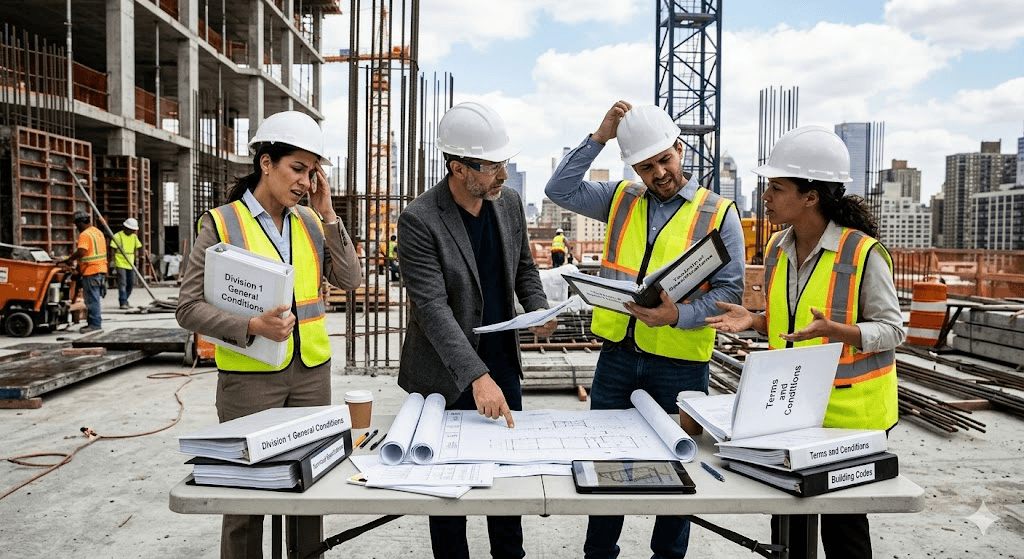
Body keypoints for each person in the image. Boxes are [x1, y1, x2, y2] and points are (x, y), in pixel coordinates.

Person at [545, 101, 745, 559]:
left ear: (681, 149)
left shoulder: (717, 213)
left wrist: (677, 316)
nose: (658, 173)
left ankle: (668, 557)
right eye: (646, 165)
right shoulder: (619, 198)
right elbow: (559, 189)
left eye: (665, 160)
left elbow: (729, 295)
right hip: (617, 355)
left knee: (676, 464)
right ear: (634, 166)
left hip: (679, 362)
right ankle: (599, 553)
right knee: (604, 463)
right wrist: (600, 136)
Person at [705, 125, 905, 559]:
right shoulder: (778, 247)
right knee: (787, 520)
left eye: (777, 188)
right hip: (791, 407)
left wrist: (843, 332)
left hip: (851, 415)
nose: (767, 197)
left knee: (842, 526)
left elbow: (893, 331)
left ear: (811, 196)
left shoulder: (862, 254)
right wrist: (756, 321)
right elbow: (793, 325)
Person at [175, 110, 361, 559]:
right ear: (265, 163)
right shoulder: (222, 224)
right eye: (297, 169)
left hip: (311, 374)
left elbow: (351, 280)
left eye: (312, 172)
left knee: (308, 488)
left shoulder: (312, 222)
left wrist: (330, 215)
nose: (305, 181)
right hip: (249, 380)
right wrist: (251, 327)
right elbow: (187, 307)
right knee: (244, 497)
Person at [398, 101, 557, 559]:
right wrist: (476, 375)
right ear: (459, 167)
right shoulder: (419, 220)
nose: (503, 175)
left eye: (505, 163)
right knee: (449, 489)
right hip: (445, 375)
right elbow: (432, 309)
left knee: (505, 479)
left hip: (502, 362)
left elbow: (524, 267)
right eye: (493, 166)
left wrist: (538, 309)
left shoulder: (505, 205)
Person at [63, 211, 108, 333]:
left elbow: (81, 252)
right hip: (100, 269)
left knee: (92, 300)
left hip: (91, 270)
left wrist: (69, 259)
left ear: (80, 223)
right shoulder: (97, 232)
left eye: (77, 225)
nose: (77, 228)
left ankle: (94, 324)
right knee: (94, 298)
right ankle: (93, 322)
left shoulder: (85, 234)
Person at [110, 217, 143, 309]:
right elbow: (113, 249)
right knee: (122, 282)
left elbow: (138, 248)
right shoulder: (118, 236)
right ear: (126, 228)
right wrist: (112, 262)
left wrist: (140, 257)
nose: (132, 232)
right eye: (131, 230)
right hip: (120, 261)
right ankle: (123, 302)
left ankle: (125, 299)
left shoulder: (134, 237)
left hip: (130, 262)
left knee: (131, 282)